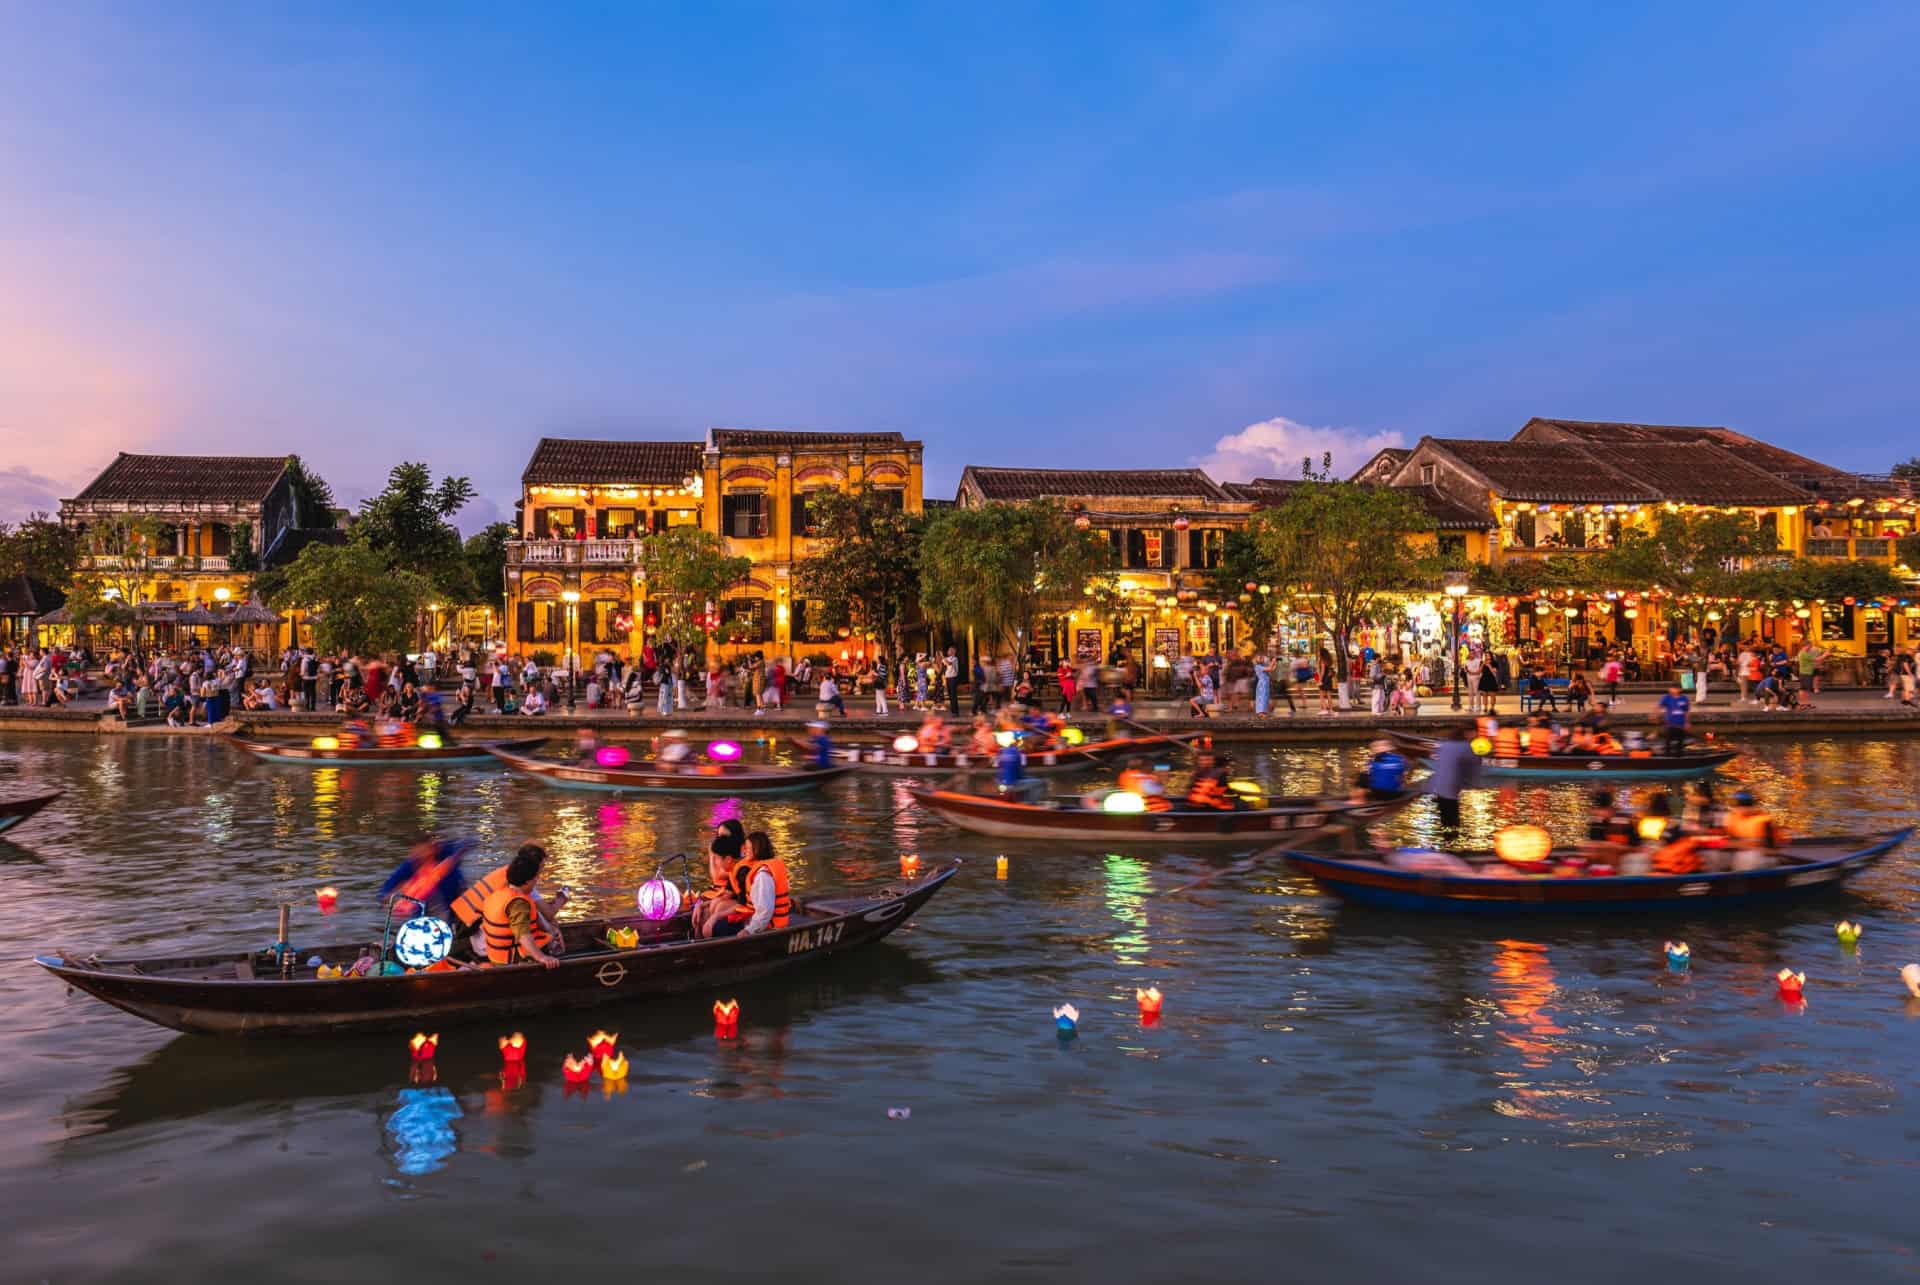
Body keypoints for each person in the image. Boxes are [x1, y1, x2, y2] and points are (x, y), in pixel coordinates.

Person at [453, 842, 568, 952]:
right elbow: (547, 915)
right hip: (475, 929)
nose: (541, 872)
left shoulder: (508, 872)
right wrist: (561, 901)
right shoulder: (525, 880)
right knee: (545, 932)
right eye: (542, 867)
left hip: (463, 919)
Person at [479, 847, 564, 968]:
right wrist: (541, 957)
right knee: (551, 942)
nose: (536, 880)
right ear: (527, 881)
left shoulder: (498, 894)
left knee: (551, 934)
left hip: (495, 956)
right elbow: (523, 935)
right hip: (513, 960)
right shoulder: (519, 903)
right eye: (535, 878)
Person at [378, 834, 473, 921]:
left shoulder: (446, 855)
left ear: (433, 848)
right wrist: (386, 898)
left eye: (425, 850)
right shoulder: (410, 865)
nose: (422, 855)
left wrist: (462, 849)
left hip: (452, 904)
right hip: (422, 911)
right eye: (418, 852)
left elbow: (467, 842)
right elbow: (390, 884)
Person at [728, 830, 793, 934]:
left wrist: (748, 931)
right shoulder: (761, 868)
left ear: (757, 849)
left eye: (748, 848)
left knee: (717, 928)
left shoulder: (763, 876)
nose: (745, 851)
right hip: (756, 920)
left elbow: (765, 911)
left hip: (769, 927)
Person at [1425, 725, 1479, 828]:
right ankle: (1451, 839)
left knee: (1445, 818)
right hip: (1450, 788)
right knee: (1453, 822)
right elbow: (1473, 766)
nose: (1476, 735)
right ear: (1468, 733)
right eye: (1475, 733)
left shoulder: (1445, 744)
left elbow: (1436, 758)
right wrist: (1472, 783)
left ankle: (1446, 837)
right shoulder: (1466, 746)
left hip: (1436, 787)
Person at [1656, 682, 1691, 756]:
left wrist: (1687, 722)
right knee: (1668, 741)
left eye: (1675, 688)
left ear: (1679, 689)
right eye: (1671, 688)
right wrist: (1655, 715)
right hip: (1670, 724)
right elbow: (1659, 706)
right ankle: (1667, 756)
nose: (1672, 690)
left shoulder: (1684, 698)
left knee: (1680, 742)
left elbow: (1686, 711)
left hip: (1681, 724)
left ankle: (1679, 756)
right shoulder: (1666, 697)